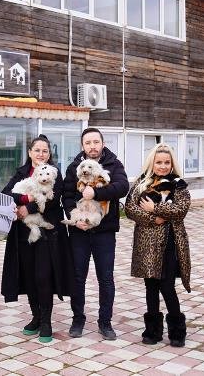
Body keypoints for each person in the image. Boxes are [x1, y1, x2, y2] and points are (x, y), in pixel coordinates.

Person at [0, 135, 74, 343]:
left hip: (48, 235)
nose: (41, 154)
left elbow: (54, 198)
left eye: (45, 151)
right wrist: (26, 200)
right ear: (30, 153)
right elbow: (7, 194)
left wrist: (27, 208)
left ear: (49, 155)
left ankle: (46, 322)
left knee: (43, 276)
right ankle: (36, 317)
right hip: (24, 233)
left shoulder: (55, 174)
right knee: (30, 276)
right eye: (37, 150)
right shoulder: (21, 173)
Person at [62, 127, 129, 339]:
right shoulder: (75, 166)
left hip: (104, 232)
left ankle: (105, 322)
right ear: (83, 146)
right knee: (77, 277)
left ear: (102, 143)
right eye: (88, 143)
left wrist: (96, 192)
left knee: (106, 278)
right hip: (80, 231)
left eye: (96, 142)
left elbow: (122, 187)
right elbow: (67, 195)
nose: (92, 146)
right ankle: (78, 320)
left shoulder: (113, 164)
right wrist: (76, 218)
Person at [124, 143, 191, 347]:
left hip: (170, 243)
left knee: (167, 286)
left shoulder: (179, 185)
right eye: (159, 162)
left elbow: (181, 210)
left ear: (172, 164)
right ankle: (152, 330)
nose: (162, 166)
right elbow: (129, 209)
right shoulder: (141, 184)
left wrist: (156, 208)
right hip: (147, 245)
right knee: (150, 286)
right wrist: (155, 219)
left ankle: (177, 330)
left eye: (166, 162)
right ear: (152, 163)